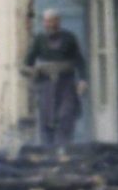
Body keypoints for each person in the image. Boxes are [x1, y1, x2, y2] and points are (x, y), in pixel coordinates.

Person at [22, 9, 87, 149]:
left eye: (52, 21)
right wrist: (32, 72)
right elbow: (28, 63)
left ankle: (63, 148)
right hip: (46, 85)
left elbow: (79, 60)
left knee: (66, 115)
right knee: (46, 119)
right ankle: (48, 151)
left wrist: (82, 79)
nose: (49, 24)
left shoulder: (69, 38)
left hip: (66, 84)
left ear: (58, 21)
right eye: (46, 21)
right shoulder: (39, 40)